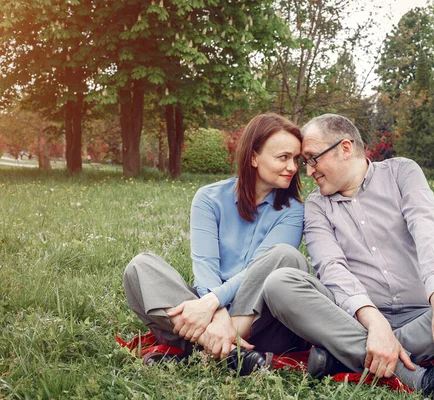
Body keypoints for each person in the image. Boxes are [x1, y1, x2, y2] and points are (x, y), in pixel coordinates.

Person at [260, 114, 434, 399]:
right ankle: (415, 377)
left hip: (424, 318)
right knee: (280, 283)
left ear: (345, 148)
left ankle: (341, 358)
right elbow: (331, 268)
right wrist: (375, 322)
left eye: (312, 159)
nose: (308, 171)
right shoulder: (317, 205)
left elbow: (427, 229)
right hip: (353, 319)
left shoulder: (401, 172)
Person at [123, 113, 311, 373]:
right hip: (208, 310)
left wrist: (212, 304)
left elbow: (259, 270)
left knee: (285, 256)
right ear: (254, 157)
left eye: (295, 159)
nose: (292, 167)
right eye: (283, 157)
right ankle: (227, 350)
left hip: (261, 321)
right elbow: (205, 266)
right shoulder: (209, 198)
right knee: (140, 267)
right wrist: (215, 309)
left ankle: (209, 346)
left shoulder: (294, 211)